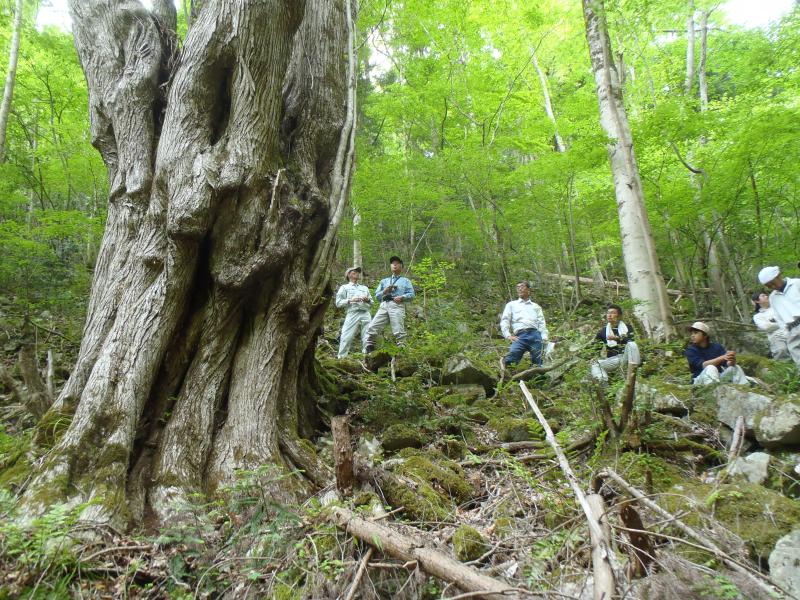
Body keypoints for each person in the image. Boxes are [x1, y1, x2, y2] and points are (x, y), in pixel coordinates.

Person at [364, 256, 415, 352]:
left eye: (397, 263)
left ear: (401, 266)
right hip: (384, 304)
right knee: (373, 326)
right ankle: (370, 347)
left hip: (397, 305)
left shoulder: (405, 281)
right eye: (392, 263)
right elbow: (377, 296)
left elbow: (412, 295)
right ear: (391, 266)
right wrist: (385, 291)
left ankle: (402, 349)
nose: (394, 264)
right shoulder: (384, 281)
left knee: (398, 328)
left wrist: (402, 297)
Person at [500, 281, 549, 371]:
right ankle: (507, 377)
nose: (519, 288)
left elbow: (541, 322)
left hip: (535, 335)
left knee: (538, 361)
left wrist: (544, 336)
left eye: (522, 286)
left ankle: (538, 381)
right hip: (520, 335)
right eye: (517, 287)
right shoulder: (511, 305)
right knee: (512, 356)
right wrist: (508, 335)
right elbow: (505, 320)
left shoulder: (536, 306)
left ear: (529, 290)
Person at [758, 266, 800, 370]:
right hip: (792, 331)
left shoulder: (796, 284)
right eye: (768, 285)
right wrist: (787, 333)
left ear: (778, 275)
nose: (772, 286)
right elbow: (779, 318)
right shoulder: (773, 297)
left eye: (773, 283)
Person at [590, 304, 641, 385]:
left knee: (632, 344)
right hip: (613, 360)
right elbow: (596, 347)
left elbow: (631, 341)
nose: (609, 315)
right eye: (608, 313)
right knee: (595, 364)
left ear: (619, 316)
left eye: (613, 313)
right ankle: (604, 386)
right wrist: (593, 356)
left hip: (627, 357)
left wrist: (616, 338)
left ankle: (635, 370)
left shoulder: (627, 327)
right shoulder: (603, 331)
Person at [685, 321, 748, 385]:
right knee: (710, 367)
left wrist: (731, 360)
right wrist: (722, 357)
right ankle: (713, 391)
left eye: (695, 333)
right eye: (691, 333)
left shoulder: (717, 347)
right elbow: (704, 365)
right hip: (699, 381)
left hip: (718, 378)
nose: (692, 336)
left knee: (735, 367)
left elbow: (727, 364)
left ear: (705, 335)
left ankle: (745, 389)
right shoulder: (691, 350)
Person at [335, 266, 372, 359]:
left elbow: (372, 302)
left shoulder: (364, 288)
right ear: (348, 275)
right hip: (352, 312)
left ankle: (366, 358)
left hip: (365, 312)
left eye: (358, 272)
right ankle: (341, 358)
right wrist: (350, 300)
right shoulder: (344, 287)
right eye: (354, 272)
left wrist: (367, 300)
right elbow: (338, 303)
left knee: (368, 335)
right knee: (346, 335)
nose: (357, 273)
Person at [751, 290, 790, 360]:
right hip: (777, 337)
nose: (766, 296)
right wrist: (782, 322)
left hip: (791, 331)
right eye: (763, 296)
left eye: (766, 295)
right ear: (757, 301)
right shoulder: (757, 316)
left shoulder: (778, 307)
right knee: (781, 350)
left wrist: (776, 323)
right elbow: (766, 327)